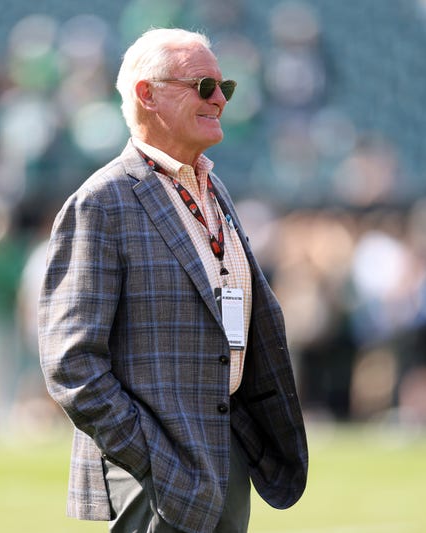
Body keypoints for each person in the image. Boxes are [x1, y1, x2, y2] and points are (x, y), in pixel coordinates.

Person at [38, 28, 308, 533]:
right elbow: (71, 363)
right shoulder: (102, 201)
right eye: (203, 86)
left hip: (224, 450)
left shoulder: (212, 187)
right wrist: (152, 457)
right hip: (156, 469)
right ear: (147, 94)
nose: (219, 100)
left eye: (224, 88)